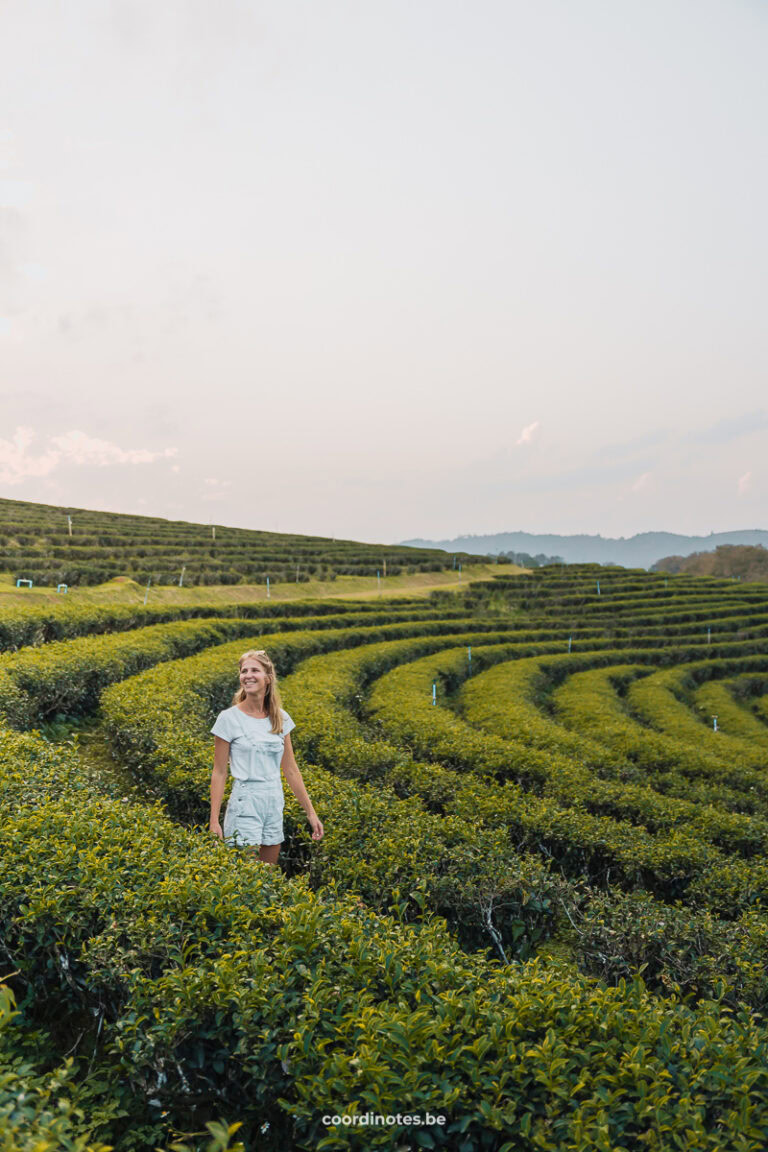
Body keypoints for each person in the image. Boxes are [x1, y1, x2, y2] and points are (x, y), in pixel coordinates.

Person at [209, 648, 324, 865]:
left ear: (268, 678)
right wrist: (214, 820)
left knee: (267, 875)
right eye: (244, 671)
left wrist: (311, 812)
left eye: (255, 670)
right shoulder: (228, 719)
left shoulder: (280, 718)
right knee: (247, 877)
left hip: (273, 800)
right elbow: (219, 771)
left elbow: (290, 769)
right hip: (245, 801)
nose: (248, 675)